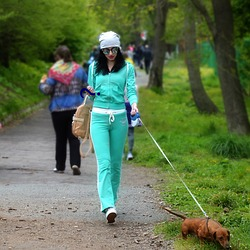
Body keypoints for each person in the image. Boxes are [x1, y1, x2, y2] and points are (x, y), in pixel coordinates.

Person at [86, 31, 138, 223]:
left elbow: (131, 90)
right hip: (98, 118)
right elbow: (90, 95)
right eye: (106, 50)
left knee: (116, 164)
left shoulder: (127, 68)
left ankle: (112, 201)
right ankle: (107, 205)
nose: (110, 53)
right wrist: (89, 92)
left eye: (114, 49)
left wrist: (134, 104)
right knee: (105, 163)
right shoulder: (93, 68)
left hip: (120, 118)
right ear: (101, 50)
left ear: (119, 48)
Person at [39, 45, 88, 175]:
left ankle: (60, 166)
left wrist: (42, 83)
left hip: (58, 109)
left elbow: (47, 90)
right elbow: (86, 86)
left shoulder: (54, 71)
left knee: (60, 138)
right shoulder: (79, 70)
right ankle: (75, 163)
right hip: (75, 109)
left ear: (58, 57)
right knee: (74, 137)